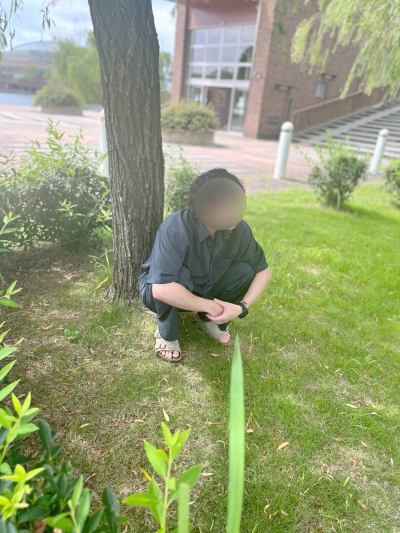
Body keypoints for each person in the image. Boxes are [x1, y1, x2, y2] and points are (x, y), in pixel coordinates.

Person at [139, 168, 272, 362]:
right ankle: (167, 332)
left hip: (206, 286)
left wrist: (241, 307)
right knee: (178, 276)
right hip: (160, 290)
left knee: (246, 271)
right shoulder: (175, 228)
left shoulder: (240, 229)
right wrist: (213, 307)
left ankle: (207, 320)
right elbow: (162, 289)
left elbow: (264, 272)